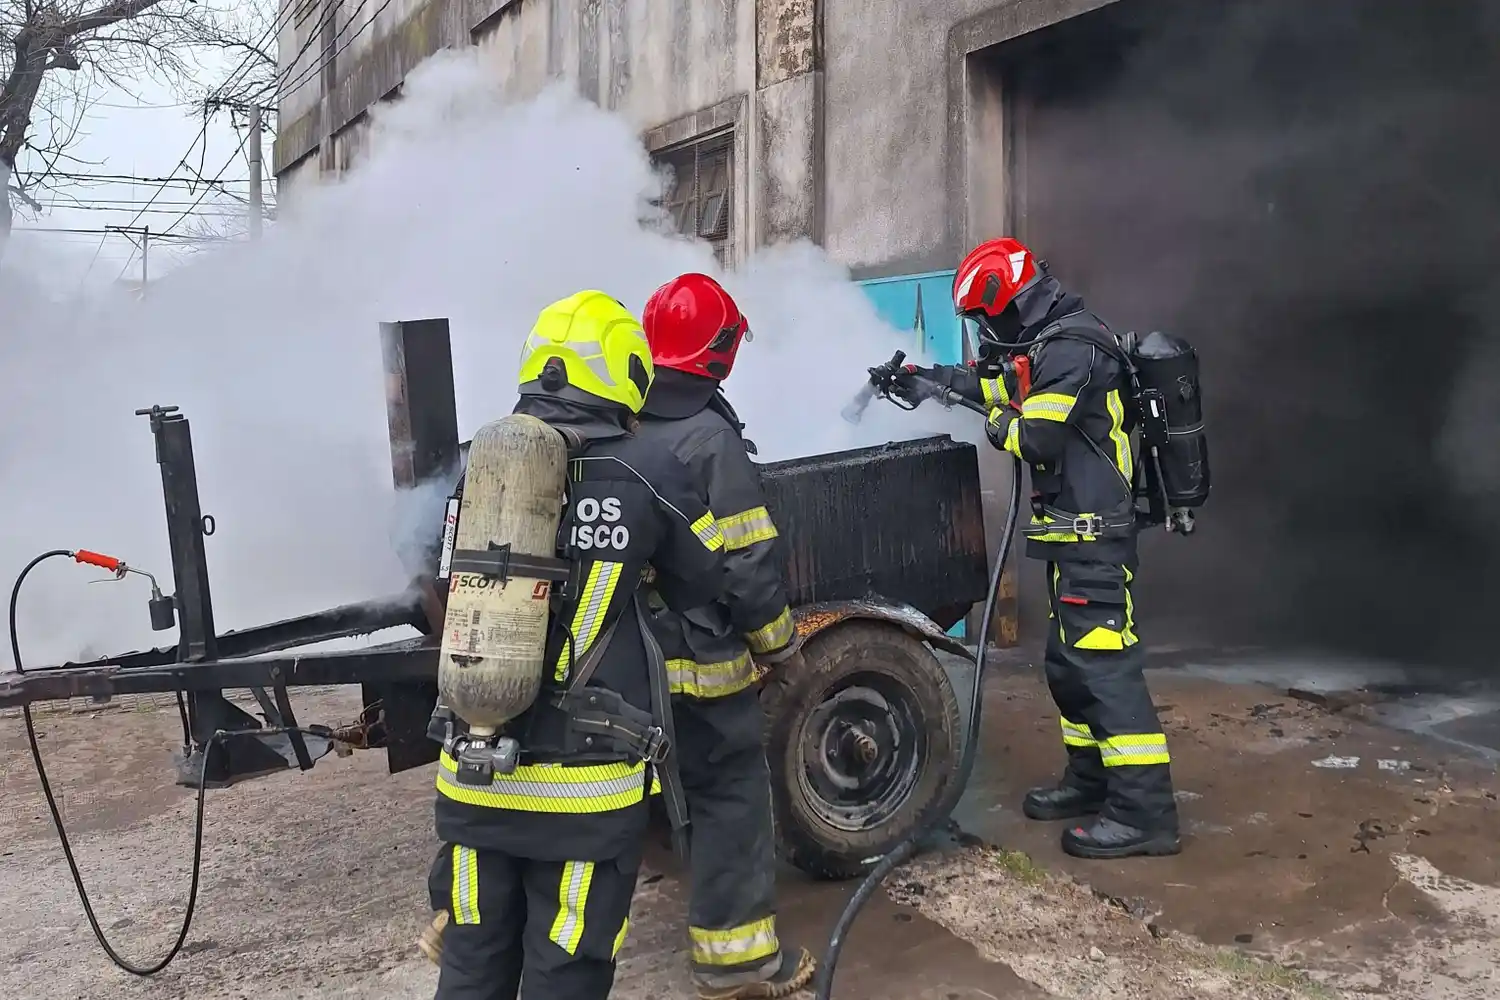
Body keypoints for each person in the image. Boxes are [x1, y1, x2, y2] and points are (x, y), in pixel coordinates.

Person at [426, 290, 729, 1000]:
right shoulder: (649, 467)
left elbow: (438, 577)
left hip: (474, 777)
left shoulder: (481, 465)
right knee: (568, 971)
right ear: (624, 370)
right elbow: (706, 575)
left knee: (470, 968)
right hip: (585, 794)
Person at [899, 238, 1180, 860]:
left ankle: (1145, 813)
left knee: (1105, 670)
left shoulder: (1075, 348)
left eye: (983, 317)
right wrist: (927, 382)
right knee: (1067, 666)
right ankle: (1090, 781)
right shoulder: (1044, 346)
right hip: (1067, 538)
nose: (983, 331)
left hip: (1094, 541)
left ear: (1008, 302)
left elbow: (1038, 436)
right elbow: (992, 385)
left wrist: (996, 424)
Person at [635, 272, 817, 999]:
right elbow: (747, 564)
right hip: (704, 664)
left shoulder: (621, 418)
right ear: (719, 351)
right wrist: (781, 647)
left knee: (629, 807)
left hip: (627, 664)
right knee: (730, 802)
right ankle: (738, 965)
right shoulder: (710, 437)